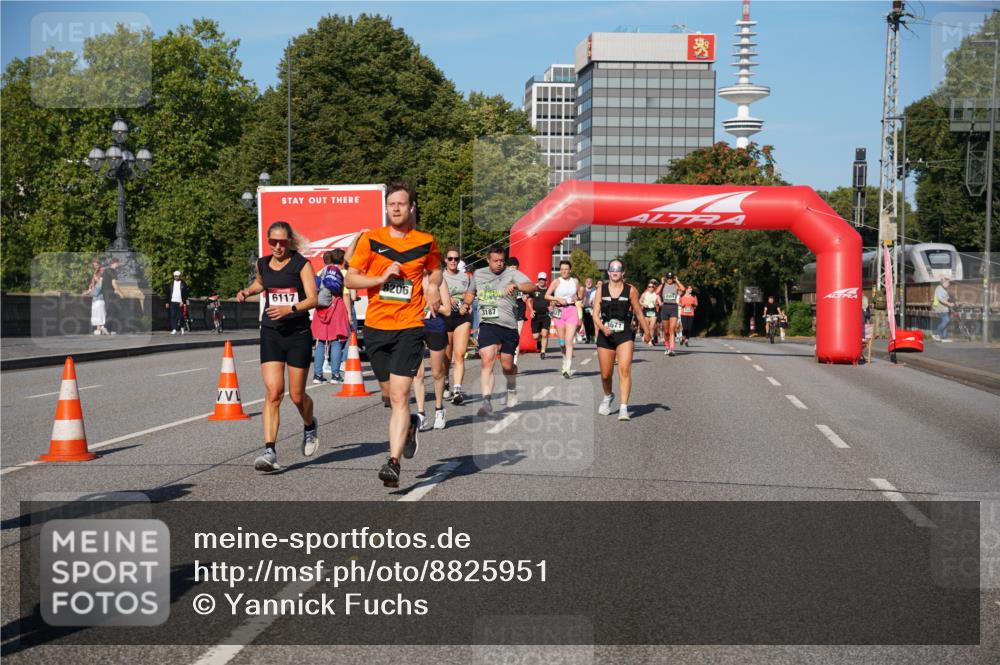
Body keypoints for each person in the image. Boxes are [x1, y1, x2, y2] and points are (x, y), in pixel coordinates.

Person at [346, 180, 442, 488]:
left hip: (410, 326)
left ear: (412, 207)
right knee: (388, 396)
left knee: (401, 395)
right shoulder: (371, 240)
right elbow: (350, 279)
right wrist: (382, 276)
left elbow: (436, 268)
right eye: (391, 204)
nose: (396, 208)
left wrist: (432, 284)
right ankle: (411, 425)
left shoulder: (426, 241)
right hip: (376, 327)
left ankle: (393, 462)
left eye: (401, 204)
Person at [236, 220, 319, 472]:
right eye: (273, 242)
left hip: (298, 333)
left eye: (282, 242)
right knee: (273, 392)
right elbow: (262, 283)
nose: (278, 247)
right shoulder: (262, 263)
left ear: (289, 242)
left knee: (296, 395)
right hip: (271, 332)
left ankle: (309, 424)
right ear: (268, 241)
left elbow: (314, 298)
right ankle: (269, 451)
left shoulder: (301, 264)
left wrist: (289, 308)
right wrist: (247, 292)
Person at [464, 245, 535, 416]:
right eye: (495, 261)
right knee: (487, 358)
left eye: (501, 261)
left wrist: (517, 286)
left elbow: (531, 286)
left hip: (508, 325)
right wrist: (465, 303)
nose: (499, 264)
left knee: (507, 365)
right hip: (488, 323)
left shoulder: (511, 273)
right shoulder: (479, 274)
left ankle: (511, 386)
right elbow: (470, 293)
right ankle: (486, 401)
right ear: (488, 260)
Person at [592, 259, 653, 421]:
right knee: (606, 375)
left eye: (618, 268)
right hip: (605, 335)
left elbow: (639, 313)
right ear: (608, 272)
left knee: (624, 371)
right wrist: (602, 328)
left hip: (624, 334)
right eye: (612, 268)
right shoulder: (601, 289)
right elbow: (594, 314)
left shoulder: (631, 290)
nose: (615, 271)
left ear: (623, 272)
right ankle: (608, 396)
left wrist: (647, 331)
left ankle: (623, 408)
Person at [414, 275, 452, 431]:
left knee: (437, 372)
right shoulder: (412, 277)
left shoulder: (439, 281)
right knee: (418, 373)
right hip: (414, 326)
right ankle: (421, 414)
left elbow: (448, 310)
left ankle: (439, 409)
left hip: (435, 327)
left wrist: (431, 305)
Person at [311, 249, 351, 384]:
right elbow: (345, 294)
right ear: (342, 260)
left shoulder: (320, 272)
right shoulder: (342, 273)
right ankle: (335, 375)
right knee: (336, 341)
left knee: (320, 342)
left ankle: (317, 375)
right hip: (336, 307)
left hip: (321, 308)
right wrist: (349, 314)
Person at [441, 246, 473, 405]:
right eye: (450, 258)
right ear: (445, 260)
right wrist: (446, 299)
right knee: (446, 357)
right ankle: (446, 382)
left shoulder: (465, 277)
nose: (453, 261)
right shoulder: (440, 276)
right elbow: (431, 295)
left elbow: (470, 294)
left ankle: (457, 390)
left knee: (459, 355)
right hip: (445, 317)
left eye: (456, 259)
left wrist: (466, 304)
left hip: (462, 316)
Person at [546, 260, 583, 377]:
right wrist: (557, 298)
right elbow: (546, 295)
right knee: (562, 342)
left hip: (572, 310)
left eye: (566, 269)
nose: (564, 271)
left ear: (570, 270)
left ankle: (567, 368)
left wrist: (576, 297)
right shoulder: (556, 282)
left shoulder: (575, 281)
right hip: (559, 312)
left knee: (569, 341)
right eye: (562, 269)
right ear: (560, 270)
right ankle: (564, 359)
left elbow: (579, 296)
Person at [657, 272, 685, 356]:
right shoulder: (663, 285)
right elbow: (656, 292)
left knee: (672, 330)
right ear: (666, 278)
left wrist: (677, 281)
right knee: (666, 331)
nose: (670, 280)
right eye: (668, 278)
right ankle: (667, 347)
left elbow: (683, 289)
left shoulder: (675, 285)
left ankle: (672, 349)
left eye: (671, 278)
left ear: (673, 278)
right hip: (665, 307)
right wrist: (661, 283)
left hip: (673, 308)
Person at [507, 257, 527, 365]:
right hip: (507, 308)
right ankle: (507, 355)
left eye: (515, 268)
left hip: (519, 307)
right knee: (506, 334)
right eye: (511, 268)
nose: (513, 270)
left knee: (516, 335)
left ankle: (514, 361)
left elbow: (529, 289)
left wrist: (526, 294)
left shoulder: (521, 278)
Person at [528, 272, 552, 359]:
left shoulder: (549, 290)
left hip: (546, 315)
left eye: (543, 279)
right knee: (535, 336)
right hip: (536, 316)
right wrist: (531, 310)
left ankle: (543, 352)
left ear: (546, 280)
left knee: (545, 334)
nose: (541, 281)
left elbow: (553, 301)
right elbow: (529, 300)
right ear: (538, 280)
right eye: (540, 279)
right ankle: (539, 341)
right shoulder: (534, 289)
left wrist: (551, 306)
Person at [84, 259, 108, 335]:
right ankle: (99, 328)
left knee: (99, 312)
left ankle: (101, 327)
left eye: (96, 265)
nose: (95, 266)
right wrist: (90, 288)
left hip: (99, 297)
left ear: (99, 264)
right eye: (94, 265)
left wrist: (89, 291)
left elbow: (100, 285)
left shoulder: (102, 271)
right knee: (97, 312)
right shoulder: (97, 271)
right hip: (96, 297)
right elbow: (93, 283)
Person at [101, 257, 123, 334]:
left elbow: (100, 282)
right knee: (112, 310)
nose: (118, 265)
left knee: (110, 310)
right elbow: (114, 284)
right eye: (118, 263)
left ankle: (109, 329)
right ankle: (105, 327)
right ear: (115, 263)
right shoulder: (113, 271)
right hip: (110, 293)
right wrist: (121, 293)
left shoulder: (105, 271)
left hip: (105, 293)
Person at [165, 270, 190, 335]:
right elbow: (167, 293)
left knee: (181, 316)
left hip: (180, 302)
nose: (176, 277)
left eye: (178, 276)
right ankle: (174, 329)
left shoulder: (183, 284)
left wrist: (183, 301)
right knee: (173, 315)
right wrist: (167, 302)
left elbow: (186, 294)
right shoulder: (171, 284)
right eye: (175, 276)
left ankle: (182, 327)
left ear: (180, 276)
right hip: (173, 301)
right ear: (174, 276)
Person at [932, 276, 955, 342]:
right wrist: (949, 304)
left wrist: (951, 304)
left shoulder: (944, 289)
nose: (949, 284)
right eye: (948, 283)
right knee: (946, 320)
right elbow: (940, 299)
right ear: (943, 283)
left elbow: (946, 298)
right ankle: (936, 333)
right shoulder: (939, 288)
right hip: (940, 308)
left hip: (944, 308)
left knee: (945, 322)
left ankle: (944, 337)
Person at [640, 281, 661, 346]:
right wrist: (643, 304)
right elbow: (640, 301)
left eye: (652, 286)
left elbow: (660, 303)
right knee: (646, 326)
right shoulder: (644, 294)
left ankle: (650, 340)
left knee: (652, 327)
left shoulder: (656, 295)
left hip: (653, 310)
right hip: (646, 310)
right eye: (649, 287)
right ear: (647, 288)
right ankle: (644, 335)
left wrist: (657, 303)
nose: (651, 288)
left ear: (654, 288)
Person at [582, 277, 597, 343]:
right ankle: (588, 338)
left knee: (593, 323)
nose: (589, 283)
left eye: (590, 281)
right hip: (584, 308)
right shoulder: (582, 290)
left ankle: (593, 337)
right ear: (585, 283)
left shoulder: (595, 290)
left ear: (592, 283)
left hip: (593, 308)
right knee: (586, 323)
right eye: (587, 281)